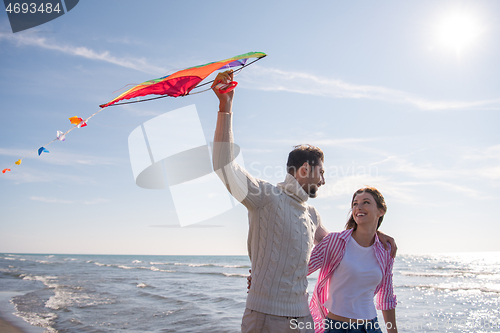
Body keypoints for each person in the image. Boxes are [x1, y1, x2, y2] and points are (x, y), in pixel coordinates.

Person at [211, 70, 396, 333]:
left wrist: (375, 233)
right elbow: (224, 167)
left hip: (302, 318)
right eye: (321, 172)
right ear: (305, 170)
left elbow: (341, 243)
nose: (323, 181)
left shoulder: (312, 215)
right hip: (265, 314)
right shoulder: (265, 197)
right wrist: (225, 107)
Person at [308, 187, 398, 333]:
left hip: (371, 328)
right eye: (355, 204)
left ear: (381, 211)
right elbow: (300, 270)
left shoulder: (385, 249)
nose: (358, 207)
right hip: (338, 328)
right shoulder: (335, 242)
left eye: (366, 202)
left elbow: (386, 297)